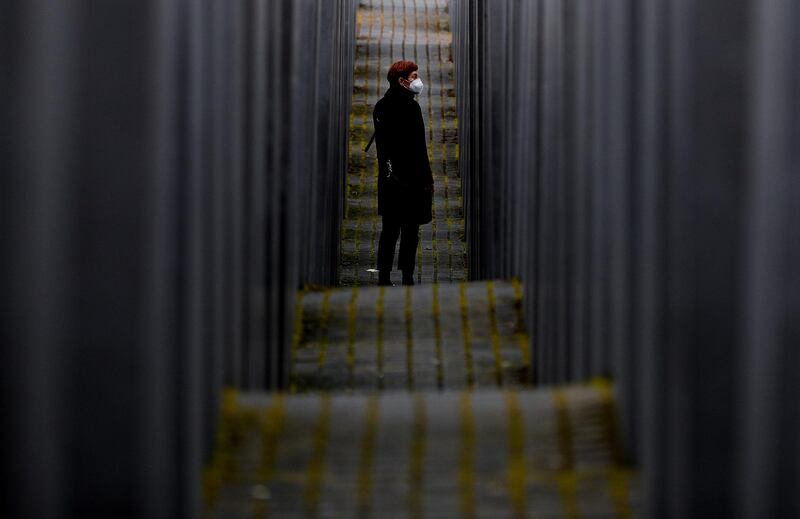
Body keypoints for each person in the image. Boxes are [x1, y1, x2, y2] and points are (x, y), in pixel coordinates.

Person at [372, 60, 434, 286]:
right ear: (402, 81)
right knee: (405, 232)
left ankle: (386, 277)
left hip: (396, 180)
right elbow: (411, 148)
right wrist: (425, 178)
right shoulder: (404, 107)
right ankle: (403, 276)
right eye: (414, 76)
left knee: (394, 231)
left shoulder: (384, 106)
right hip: (403, 180)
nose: (418, 81)